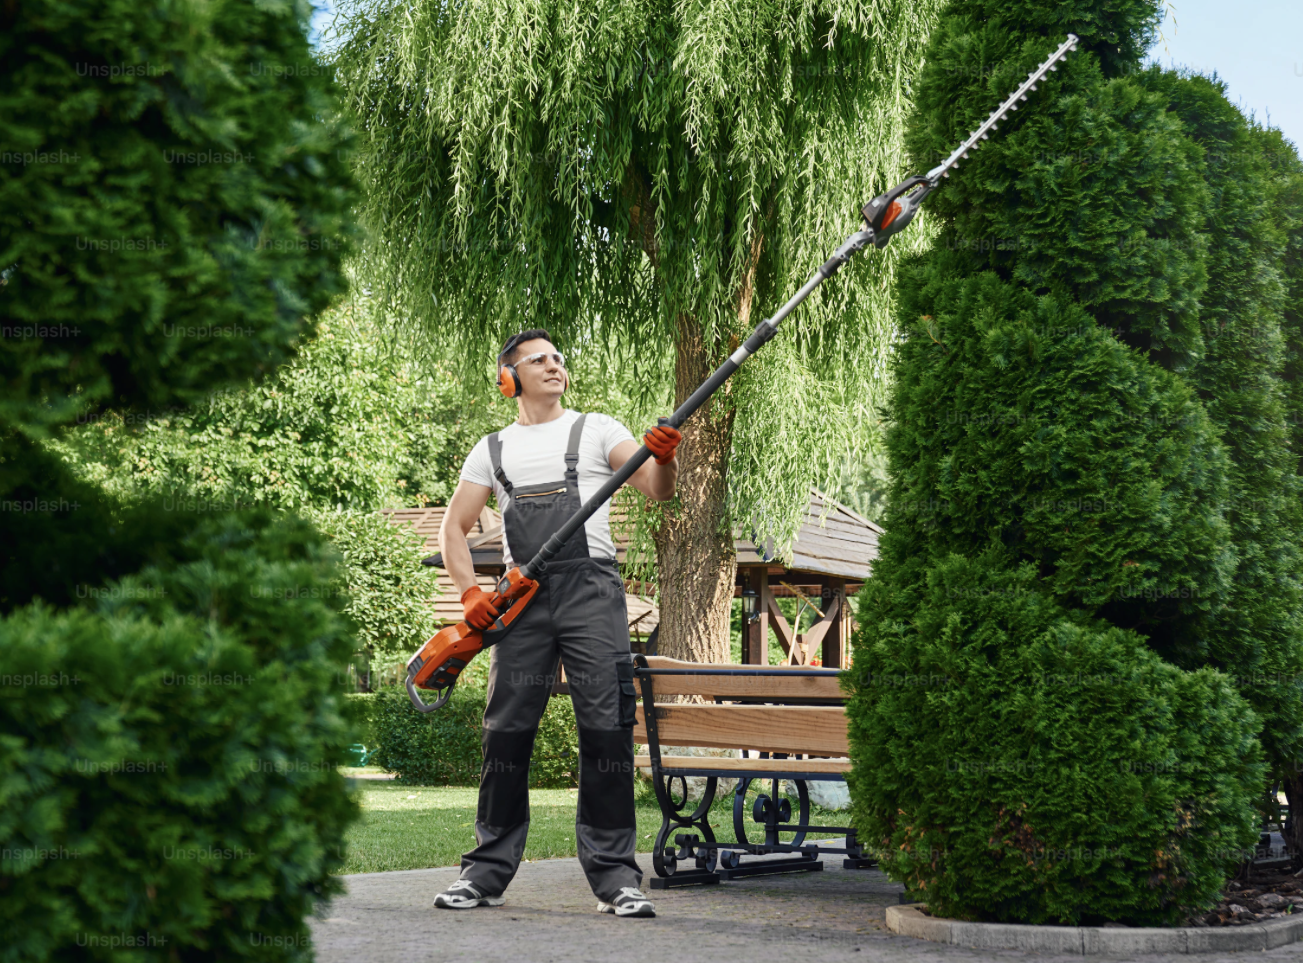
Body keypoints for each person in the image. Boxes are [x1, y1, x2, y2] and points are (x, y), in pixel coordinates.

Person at [433, 328, 681, 918]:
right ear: (508, 379)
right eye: (537, 360)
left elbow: (655, 489)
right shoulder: (490, 450)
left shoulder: (597, 429)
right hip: (522, 601)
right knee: (506, 733)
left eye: (558, 358)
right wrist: (471, 594)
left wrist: (665, 458)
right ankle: (484, 873)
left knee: (606, 728)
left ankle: (617, 877)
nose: (554, 366)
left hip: (591, 591)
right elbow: (453, 530)